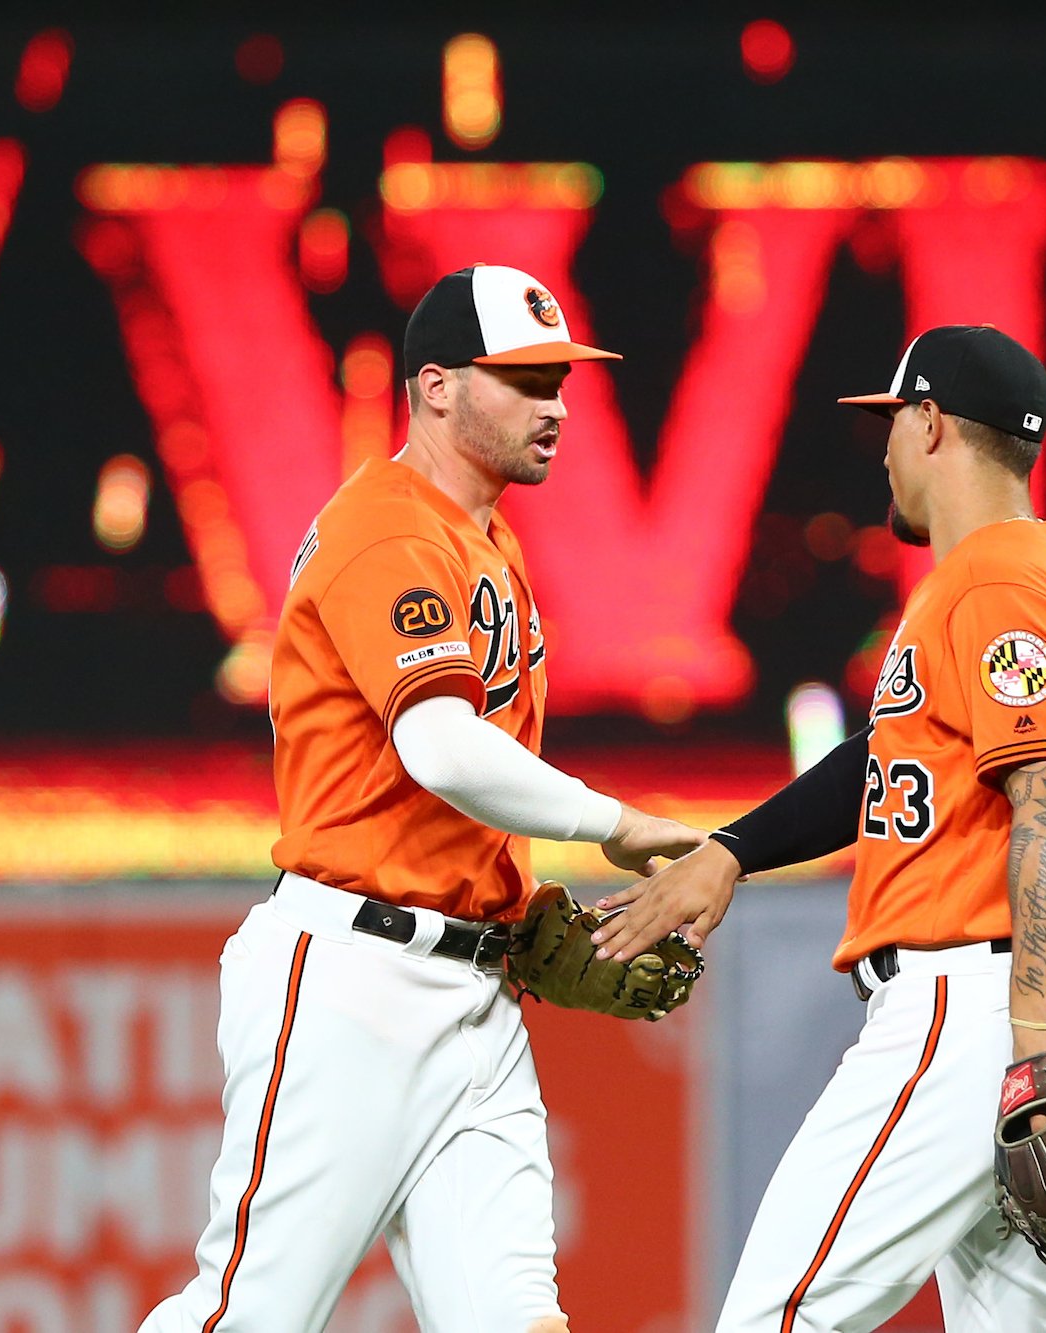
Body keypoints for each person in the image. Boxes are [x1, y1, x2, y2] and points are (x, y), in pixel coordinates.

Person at [142, 264, 702, 1333]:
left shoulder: (482, 538)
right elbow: (439, 745)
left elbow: (452, 793)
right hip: (351, 981)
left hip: (474, 993)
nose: (557, 406)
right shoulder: (389, 529)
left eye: (561, 381)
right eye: (526, 380)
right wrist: (614, 822)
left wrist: (514, 903)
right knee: (245, 1316)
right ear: (435, 386)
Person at [591, 324, 1046, 1331]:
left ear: (932, 423)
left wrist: (1030, 1025)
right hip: (1030, 996)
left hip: (980, 1004)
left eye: (894, 422)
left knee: (778, 1316)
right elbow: (893, 757)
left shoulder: (990, 578)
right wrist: (732, 850)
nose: (886, 448)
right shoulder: (1042, 572)